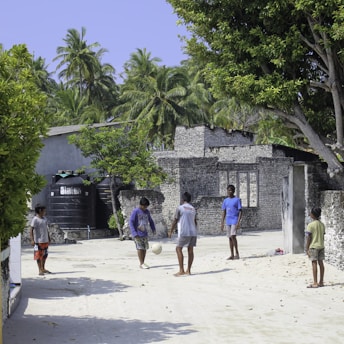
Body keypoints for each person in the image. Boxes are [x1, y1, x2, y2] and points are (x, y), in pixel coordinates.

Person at [168, 192, 198, 277]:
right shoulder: (193, 208)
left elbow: (175, 220)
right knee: (190, 250)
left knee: (178, 249)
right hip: (193, 232)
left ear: (183, 199)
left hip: (184, 232)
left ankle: (181, 270)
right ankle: (188, 270)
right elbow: (195, 221)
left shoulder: (180, 208)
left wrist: (170, 231)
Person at [129, 197, 156, 269]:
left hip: (145, 233)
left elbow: (150, 220)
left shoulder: (147, 212)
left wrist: (153, 228)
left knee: (144, 248)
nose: (145, 208)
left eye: (146, 206)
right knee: (140, 248)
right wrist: (134, 233)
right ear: (141, 205)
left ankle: (143, 262)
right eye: (144, 206)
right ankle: (141, 263)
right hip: (137, 233)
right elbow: (131, 222)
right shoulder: (135, 211)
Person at [305, 207, 326, 288]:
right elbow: (322, 235)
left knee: (314, 263)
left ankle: (315, 282)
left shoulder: (310, 225)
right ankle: (321, 282)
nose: (310, 214)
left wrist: (307, 249)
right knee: (321, 263)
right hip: (321, 246)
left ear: (313, 215)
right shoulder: (322, 225)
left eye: (311, 213)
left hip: (313, 247)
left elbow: (309, 238)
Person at [221, 184, 242, 260]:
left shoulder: (237, 200)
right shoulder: (225, 201)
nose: (229, 191)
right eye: (228, 190)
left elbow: (240, 211)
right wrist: (222, 222)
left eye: (230, 190)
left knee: (233, 236)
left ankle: (237, 253)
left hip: (234, 219)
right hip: (228, 220)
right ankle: (232, 254)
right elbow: (224, 211)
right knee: (229, 237)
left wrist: (238, 222)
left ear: (233, 191)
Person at [30, 204, 51, 276]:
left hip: (45, 240)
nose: (45, 212)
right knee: (38, 255)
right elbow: (31, 230)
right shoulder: (35, 219)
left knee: (45, 254)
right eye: (44, 211)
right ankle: (39, 270)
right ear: (40, 211)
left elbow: (46, 229)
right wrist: (32, 240)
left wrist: (48, 237)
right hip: (38, 241)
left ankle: (43, 268)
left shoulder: (44, 219)